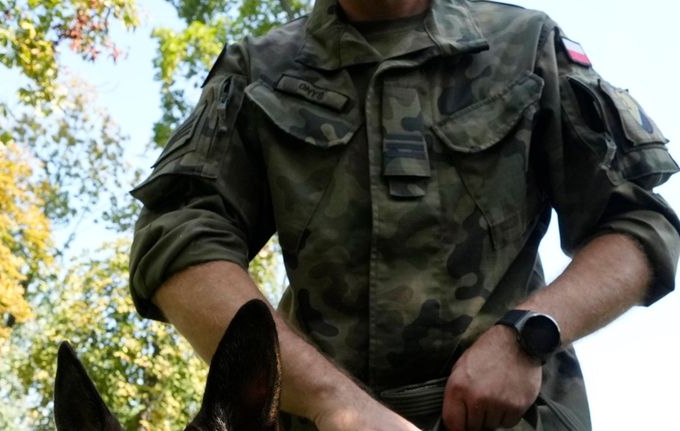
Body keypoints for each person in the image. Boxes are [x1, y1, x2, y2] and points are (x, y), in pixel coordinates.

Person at [128, 0, 680, 429]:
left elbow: (639, 224)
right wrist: (332, 402)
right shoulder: (259, 69)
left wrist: (527, 335)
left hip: (519, 421)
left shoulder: (526, 46)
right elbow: (177, 238)